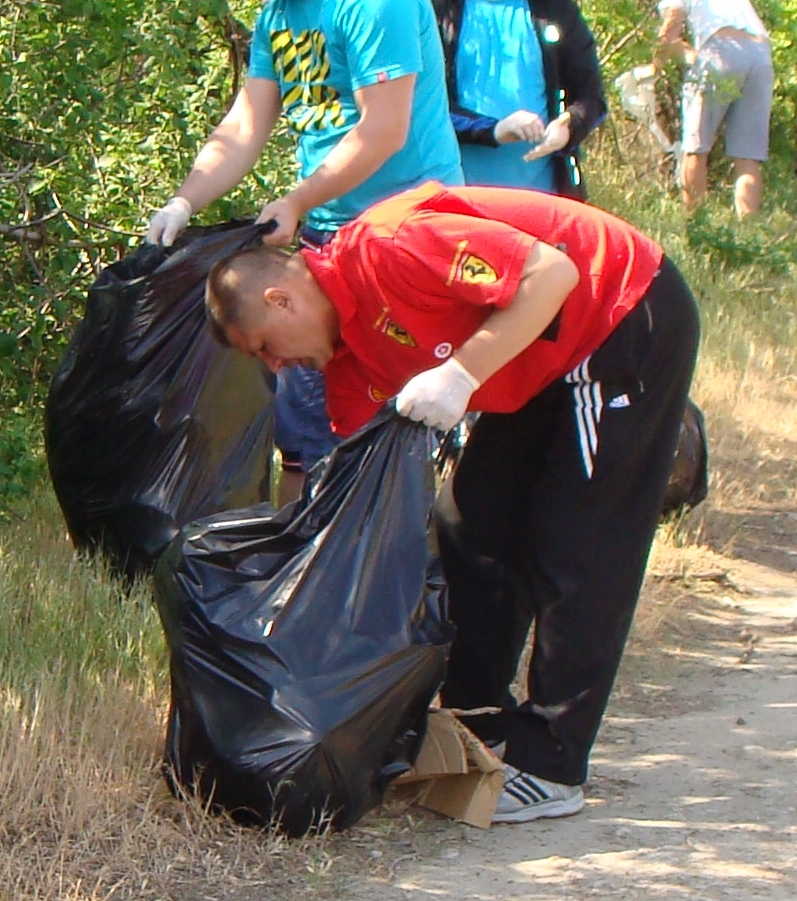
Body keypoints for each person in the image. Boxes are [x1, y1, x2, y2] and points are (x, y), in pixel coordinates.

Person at [202, 189, 699, 825]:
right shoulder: (346, 360)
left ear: (282, 298)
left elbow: (554, 274)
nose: (276, 365)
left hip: (616, 315)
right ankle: (477, 725)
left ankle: (553, 764)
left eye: (265, 347)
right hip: (532, 360)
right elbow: (357, 488)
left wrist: (462, 376)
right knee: (467, 525)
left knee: (579, 547)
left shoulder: (391, 248)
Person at [141, 0, 462, 488]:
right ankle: (306, 571)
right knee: (308, 429)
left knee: (413, 419)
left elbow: (385, 129)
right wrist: (185, 200)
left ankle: (421, 567)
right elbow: (244, 126)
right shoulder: (276, 19)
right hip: (329, 244)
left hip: (415, 236)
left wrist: (296, 198)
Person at [432, 0, 609, 198]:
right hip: (460, 198)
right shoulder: (439, 15)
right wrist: (494, 130)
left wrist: (567, 126)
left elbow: (591, 96)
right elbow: (423, 107)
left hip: (544, 199)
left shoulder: (556, 12)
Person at [654, 0, 775, 218]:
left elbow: (668, 31)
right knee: (748, 158)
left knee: (695, 148)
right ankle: (748, 230)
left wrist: (653, 67)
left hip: (721, 50)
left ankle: (697, 224)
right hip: (762, 55)